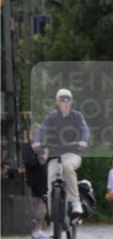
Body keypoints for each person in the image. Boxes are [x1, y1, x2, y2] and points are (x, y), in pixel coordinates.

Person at [32, 88, 89, 217]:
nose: (65, 102)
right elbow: (42, 129)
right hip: (54, 155)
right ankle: (55, 218)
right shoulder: (51, 116)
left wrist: (83, 141)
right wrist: (37, 141)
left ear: (71, 102)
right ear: (57, 102)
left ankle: (75, 201)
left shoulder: (77, 116)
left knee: (67, 167)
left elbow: (84, 130)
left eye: (67, 99)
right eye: (62, 99)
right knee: (50, 184)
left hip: (73, 153)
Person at [22, 125, 48, 239]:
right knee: (40, 203)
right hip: (37, 178)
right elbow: (31, 161)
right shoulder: (29, 146)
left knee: (39, 202)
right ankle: (36, 229)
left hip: (40, 177)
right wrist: (43, 157)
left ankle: (38, 228)